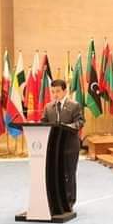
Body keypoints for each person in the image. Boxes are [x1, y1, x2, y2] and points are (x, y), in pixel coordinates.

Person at [41, 79, 85, 208]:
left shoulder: (74, 105)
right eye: (53, 92)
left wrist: (68, 127)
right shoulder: (48, 107)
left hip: (70, 146)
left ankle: (70, 201)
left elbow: (80, 122)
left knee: (69, 174)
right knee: (55, 174)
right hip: (54, 148)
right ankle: (56, 200)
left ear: (65, 91)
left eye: (58, 91)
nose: (55, 94)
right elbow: (44, 122)